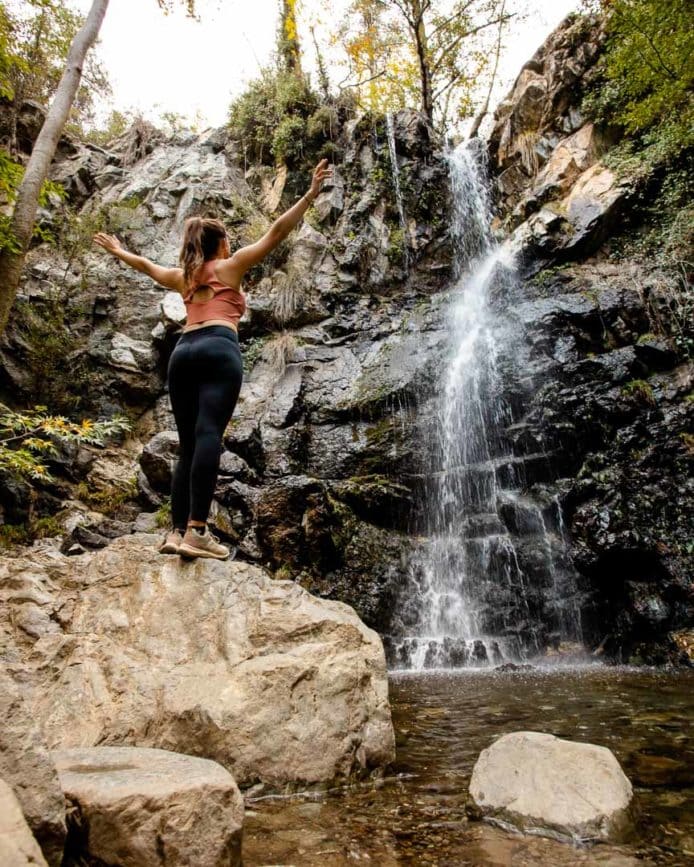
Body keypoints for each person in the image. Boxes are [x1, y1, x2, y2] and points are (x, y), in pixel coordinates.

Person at [94, 157, 332, 560]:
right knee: (208, 437)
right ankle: (198, 531)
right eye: (228, 239)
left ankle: (175, 532)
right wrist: (309, 195)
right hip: (219, 347)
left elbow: (147, 266)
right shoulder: (230, 267)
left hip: (183, 352)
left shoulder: (183, 277)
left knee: (188, 445)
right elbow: (276, 232)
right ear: (220, 244)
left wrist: (119, 251)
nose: (232, 244)